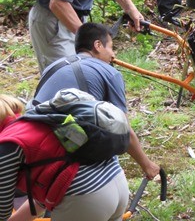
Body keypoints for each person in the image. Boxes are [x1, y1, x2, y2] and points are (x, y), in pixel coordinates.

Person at [32, 23, 160, 219]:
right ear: (98, 45)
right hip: (79, 179)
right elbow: (122, 128)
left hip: (34, 158)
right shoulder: (108, 71)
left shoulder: (53, 66)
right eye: (111, 47)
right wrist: (147, 165)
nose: (113, 55)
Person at [0, 92, 128, 221]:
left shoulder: (7, 146)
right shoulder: (38, 121)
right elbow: (44, 195)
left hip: (84, 196)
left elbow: (2, 211)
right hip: (116, 180)